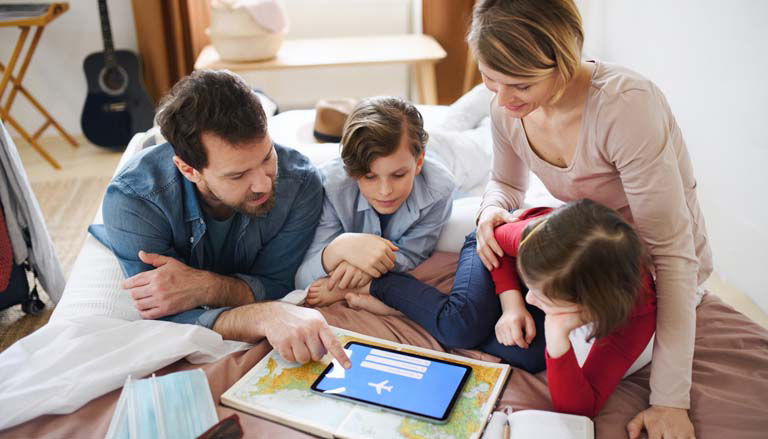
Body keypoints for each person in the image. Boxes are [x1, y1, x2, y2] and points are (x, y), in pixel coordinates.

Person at [467, 1, 710, 437]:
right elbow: (504, 183)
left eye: (520, 84)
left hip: (638, 275)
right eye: (490, 79)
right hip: (576, 245)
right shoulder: (506, 107)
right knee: (465, 229)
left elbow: (673, 254)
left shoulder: (625, 107)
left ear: (563, 59)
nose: (501, 100)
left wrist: (670, 401)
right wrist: (490, 211)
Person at [89, 70, 350, 368]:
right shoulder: (133, 201)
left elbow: (278, 285)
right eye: (237, 175)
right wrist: (260, 315)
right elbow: (165, 313)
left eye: (267, 157)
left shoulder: (300, 183)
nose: (264, 184)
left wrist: (206, 287)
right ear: (188, 170)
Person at [344, 199, 656, 418]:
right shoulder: (534, 238)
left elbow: (580, 409)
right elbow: (492, 238)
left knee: (529, 353)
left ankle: (419, 312)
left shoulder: (637, 317)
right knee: (460, 326)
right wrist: (512, 304)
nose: (532, 300)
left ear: (587, 305)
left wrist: (557, 334)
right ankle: (381, 286)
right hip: (493, 249)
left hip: (543, 274)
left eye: (545, 300)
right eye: (535, 294)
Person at [294, 96, 456, 305]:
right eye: (369, 177)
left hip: (454, 155)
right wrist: (338, 249)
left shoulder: (439, 189)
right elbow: (302, 277)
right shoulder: (331, 187)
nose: (385, 191)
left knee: (468, 133)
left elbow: (412, 255)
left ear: (418, 162)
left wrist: (362, 268)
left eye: (398, 175)